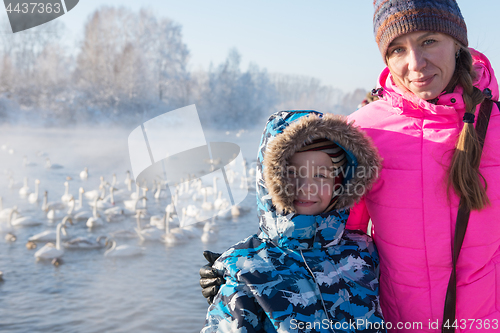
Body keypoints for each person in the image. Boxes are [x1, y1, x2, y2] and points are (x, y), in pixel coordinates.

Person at [201, 0, 500, 331]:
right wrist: (243, 272)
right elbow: (324, 233)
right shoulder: (363, 134)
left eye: (429, 40)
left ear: (457, 43)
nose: (416, 63)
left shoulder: (495, 126)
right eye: (398, 49)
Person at [202, 110, 386, 332]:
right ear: (270, 180)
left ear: (341, 183)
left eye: (320, 175)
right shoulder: (247, 270)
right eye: (292, 173)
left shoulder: (363, 252)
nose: (307, 186)